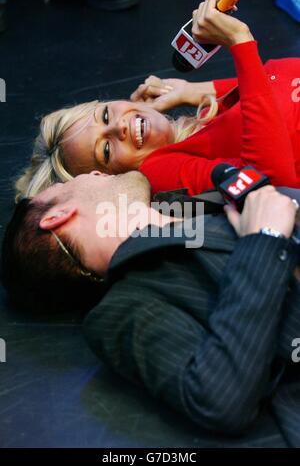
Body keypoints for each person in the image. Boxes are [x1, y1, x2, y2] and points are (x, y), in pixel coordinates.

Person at [2, 167, 300, 443]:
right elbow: (220, 397)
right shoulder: (124, 305)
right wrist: (265, 240)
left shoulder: (214, 200)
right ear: (57, 215)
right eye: (65, 183)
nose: (92, 171)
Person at [15, 0, 300, 202]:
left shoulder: (202, 125)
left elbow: (265, 90)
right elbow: (269, 185)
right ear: (111, 176)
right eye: (105, 150)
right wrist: (240, 42)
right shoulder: (158, 172)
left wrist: (192, 90)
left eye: (105, 116)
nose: (118, 127)